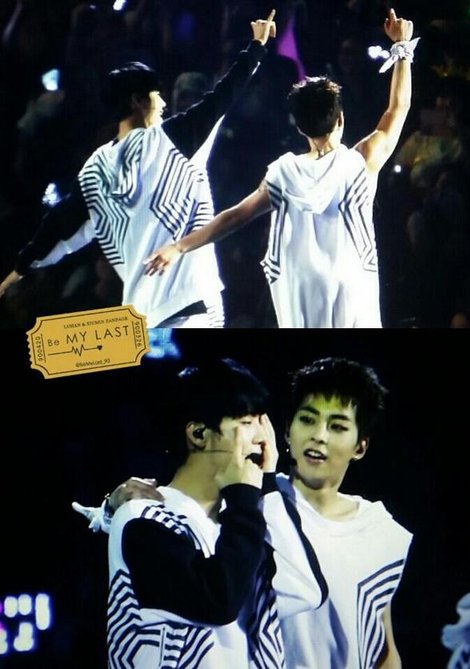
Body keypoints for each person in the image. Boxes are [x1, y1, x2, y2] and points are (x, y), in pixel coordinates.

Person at [76, 355, 411, 668]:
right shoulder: (142, 517)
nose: (261, 437)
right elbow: (218, 600)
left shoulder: (239, 518)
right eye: (248, 422)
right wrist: (245, 497)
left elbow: (304, 590)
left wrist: (264, 481)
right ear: (199, 434)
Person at [0, 11, 277, 328]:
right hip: (194, 301)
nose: (163, 102)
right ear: (137, 101)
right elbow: (222, 95)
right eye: (156, 95)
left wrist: (17, 271)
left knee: (56, 348)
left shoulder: (95, 168)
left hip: (144, 314)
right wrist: (257, 47)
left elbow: (58, 226)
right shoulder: (173, 138)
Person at [144, 8, 417, 328]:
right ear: (341, 119)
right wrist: (401, 47)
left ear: (299, 127)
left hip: (300, 299)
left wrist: (179, 246)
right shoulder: (362, 160)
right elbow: (398, 108)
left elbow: (235, 217)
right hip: (353, 296)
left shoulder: (283, 173)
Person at [277, 356, 412, 668]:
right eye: (308, 419)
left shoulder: (378, 531)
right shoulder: (255, 506)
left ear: (360, 446)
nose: (319, 435)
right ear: (287, 431)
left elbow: (382, 646)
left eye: (337, 426)